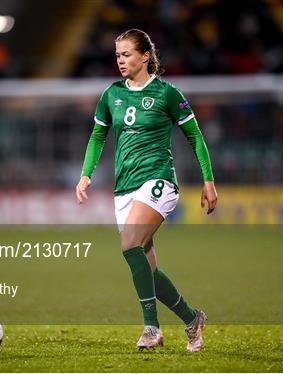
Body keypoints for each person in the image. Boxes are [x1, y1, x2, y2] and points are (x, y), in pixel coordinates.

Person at [76, 29, 218, 352]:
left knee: (129, 245)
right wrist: (86, 174)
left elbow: (195, 137)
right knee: (147, 269)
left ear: (144, 56)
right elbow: (98, 136)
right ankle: (192, 318)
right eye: (117, 55)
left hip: (158, 181)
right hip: (124, 189)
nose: (120, 61)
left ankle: (151, 329)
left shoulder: (167, 94)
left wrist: (208, 181)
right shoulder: (111, 94)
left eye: (126, 54)